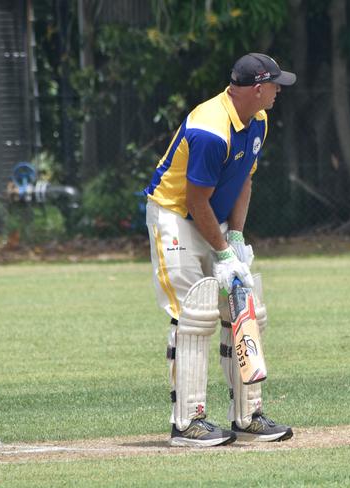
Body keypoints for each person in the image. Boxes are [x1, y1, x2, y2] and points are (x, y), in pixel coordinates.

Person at [143, 53, 296, 447]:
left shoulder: (258, 120)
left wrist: (237, 239)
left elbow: (244, 181)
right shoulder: (211, 129)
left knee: (246, 308)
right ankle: (187, 423)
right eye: (275, 84)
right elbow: (195, 201)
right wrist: (223, 254)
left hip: (216, 219)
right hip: (175, 216)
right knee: (195, 314)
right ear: (258, 88)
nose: (280, 91)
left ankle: (248, 417)